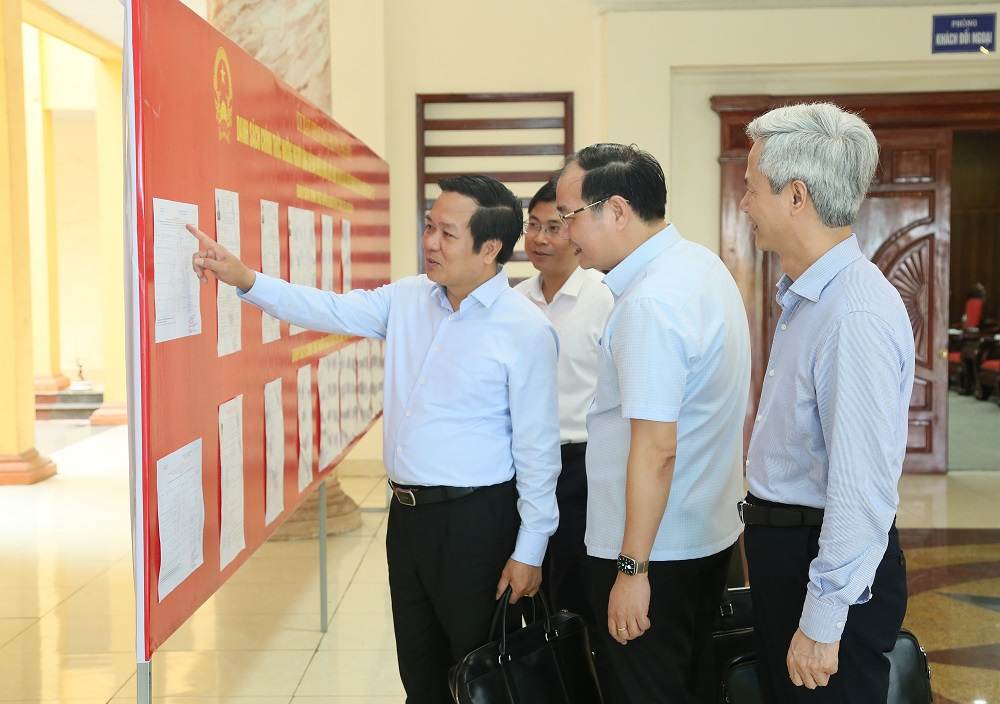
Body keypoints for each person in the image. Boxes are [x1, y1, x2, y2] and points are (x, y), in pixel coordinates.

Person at [187, 175, 561, 704]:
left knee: (480, 671)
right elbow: (328, 309)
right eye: (429, 226)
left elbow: (539, 451)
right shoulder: (410, 299)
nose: (430, 242)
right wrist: (246, 278)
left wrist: (531, 550)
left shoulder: (524, 328)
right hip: (408, 519)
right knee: (419, 666)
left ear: (490, 248)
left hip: (479, 523)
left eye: (447, 234)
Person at [555, 143, 750, 703]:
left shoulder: (650, 303)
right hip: (703, 536)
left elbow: (657, 446)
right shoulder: (700, 266)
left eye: (570, 216)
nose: (568, 234)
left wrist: (631, 568)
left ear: (615, 210)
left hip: (654, 554)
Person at [739, 102, 914, 702]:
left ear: (796, 196)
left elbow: (862, 489)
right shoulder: (813, 297)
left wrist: (821, 620)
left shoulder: (853, 313)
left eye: (751, 188)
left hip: (821, 567)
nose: (744, 205)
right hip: (793, 554)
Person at [514, 178, 614, 624]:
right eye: (532, 225)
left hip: (583, 470)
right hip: (522, 467)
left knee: (576, 594)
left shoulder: (606, 298)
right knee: (527, 595)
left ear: (575, 232)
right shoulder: (513, 303)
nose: (538, 238)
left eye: (553, 227)